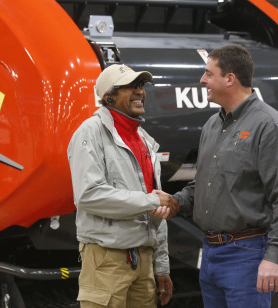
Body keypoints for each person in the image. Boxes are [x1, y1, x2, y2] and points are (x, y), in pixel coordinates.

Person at [165, 45, 278, 308]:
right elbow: (206, 184)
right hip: (210, 252)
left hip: (247, 255)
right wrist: (175, 201)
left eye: (208, 74)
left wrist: (274, 257)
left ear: (229, 79)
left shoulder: (268, 124)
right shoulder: (212, 125)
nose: (202, 80)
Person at [67, 64, 179, 307]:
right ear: (110, 97)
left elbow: (155, 213)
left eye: (140, 86)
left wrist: (161, 266)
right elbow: (89, 195)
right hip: (106, 260)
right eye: (130, 86)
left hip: (144, 262)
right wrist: (151, 201)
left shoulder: (146, 142)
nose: (139, 91)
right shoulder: (90, 133)